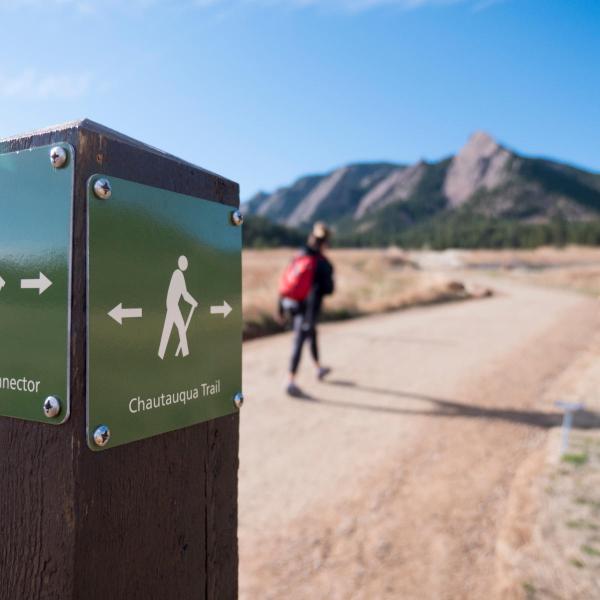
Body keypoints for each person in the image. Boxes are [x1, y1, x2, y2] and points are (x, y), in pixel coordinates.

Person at [282, 222, 335, 397]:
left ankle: (319, 368)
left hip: (291, 304)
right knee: (300, 339)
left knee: (312, 334)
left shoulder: (298, 255)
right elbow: (329, 289)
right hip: (309, 309)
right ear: (325, 242)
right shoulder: (322, 263)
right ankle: (290, 381)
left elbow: (285, 281)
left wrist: (280, 308)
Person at [158, 255, 198, 359]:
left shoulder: (178, 274)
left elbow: (183, 294)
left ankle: (161, 353)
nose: (185, 265)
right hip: (172, 305)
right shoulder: (178, 274)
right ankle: (185, 353)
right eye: (184, 263)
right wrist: (193, 302)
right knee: (180, 327)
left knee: (168, 328)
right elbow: (184, 294)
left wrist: (192, 302)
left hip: (171, 304)